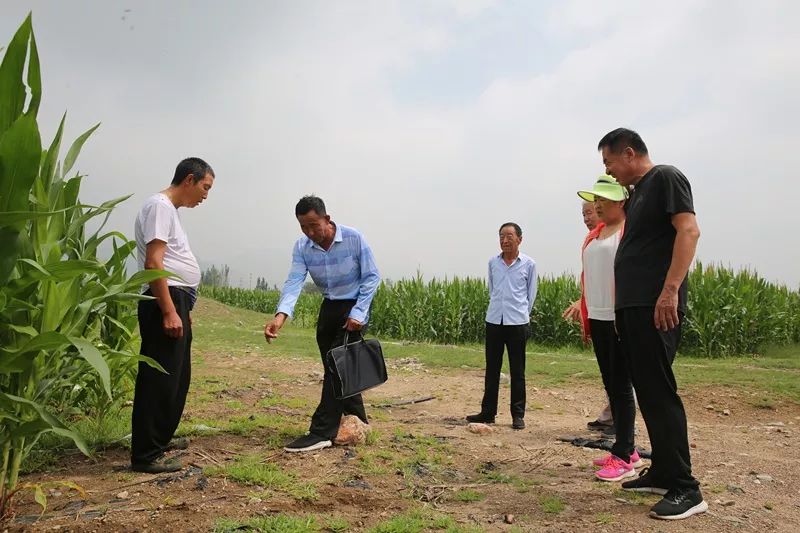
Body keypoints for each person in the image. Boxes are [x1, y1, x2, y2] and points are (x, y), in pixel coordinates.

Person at [598, 128, 706, 520]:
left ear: (629, 153)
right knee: (646, 391)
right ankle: (662, 470)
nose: (609, 171)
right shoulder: (637, 193)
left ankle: (686, 488)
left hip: (655, 306)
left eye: (609, 162)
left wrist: (669, 291)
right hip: (634, 309)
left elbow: (688, 230)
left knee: (660, 393)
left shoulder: (666, 177)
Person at [264, 195, 380, 453]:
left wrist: (360, 312)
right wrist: (280, 317)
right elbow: (294, 282)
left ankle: (321, 432)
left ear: (327, 219)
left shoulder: (353, 238)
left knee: (335, 368)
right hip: (329, 306)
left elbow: (372, 277)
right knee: (338, 367)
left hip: (354, 307)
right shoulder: (303, 247)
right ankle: (358, 420)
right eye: (303, 226)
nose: (310, 232)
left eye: (314, 225)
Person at [131, 157, 215, 473]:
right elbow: (154, 263)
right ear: (189, 180)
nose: (205, 196)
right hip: (161, 301)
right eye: (205, 187)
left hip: (175, 300)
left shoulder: (171, 212)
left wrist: (183, 309)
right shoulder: (160, 207)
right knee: (159, 379)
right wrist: (168, 309)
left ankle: (160, 439)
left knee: (177, 378)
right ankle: (145, 455)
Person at [573, 177, 641, 482]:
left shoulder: (629, 232)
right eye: (595, 199)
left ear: (620, 201)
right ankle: (629, 449)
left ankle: (624, 454)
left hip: (619, 318)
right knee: (612, 385)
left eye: (603, 199)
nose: (597, 205)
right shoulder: (595, 236)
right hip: (598, 317)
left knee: (622, 386)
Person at [466, 223, 537, 430]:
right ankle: (488, 412)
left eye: (509, 236)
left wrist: (521, 313)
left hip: (517, 323)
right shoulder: (493, 263)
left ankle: (518, 415)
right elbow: (492, 290)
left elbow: (530, 295)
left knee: (518, 370)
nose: (505, 240)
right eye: (501, 236)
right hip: (495, 320)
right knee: (492, 369)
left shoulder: (529, 264)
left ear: (519, 239)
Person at [566, 201, 614, 434]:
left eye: (590, 212)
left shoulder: (614, 236)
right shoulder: (593, 240)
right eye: (582, 213)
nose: (586, 217)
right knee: (609, 371)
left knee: (619, 371)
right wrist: (582, 301)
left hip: (614, 314)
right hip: (597, 312)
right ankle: (610, 416)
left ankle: (619, 420)